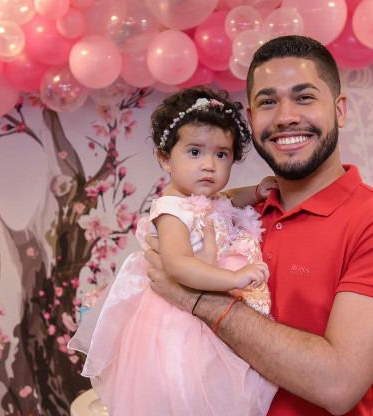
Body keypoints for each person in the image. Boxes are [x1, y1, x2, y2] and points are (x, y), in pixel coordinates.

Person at [144, 35, 373, 416]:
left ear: (339, 110)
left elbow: (338, 384)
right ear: (251, 119)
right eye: (268, 102)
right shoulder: (228, 213)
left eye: (304, 97)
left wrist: (197, 299)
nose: (285, 117)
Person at [68, 86, 279, 416]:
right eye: (195, 152)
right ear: (165, 158)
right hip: (180, 320)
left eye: (221, 154)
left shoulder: (205, 197)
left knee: (220, 384)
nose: (209, 165)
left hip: (211, 306)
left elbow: (227, 199)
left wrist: (256, 191)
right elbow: (178, 266)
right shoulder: (171, 211)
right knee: (188, 390)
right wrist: (233, 277)